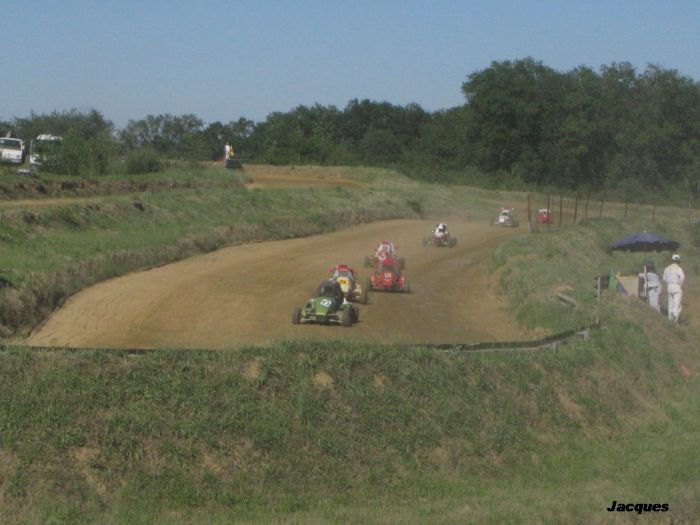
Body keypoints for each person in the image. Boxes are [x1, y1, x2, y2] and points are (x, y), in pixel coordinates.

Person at [662, 254, 685, 322]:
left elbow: (664, 278)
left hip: (669, 286)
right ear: (678, 260)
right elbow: (682, 277)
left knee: (670, 303)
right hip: (677, 287)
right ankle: (675, 319)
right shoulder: (678, 268)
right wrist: (680, 284)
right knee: (677, 304)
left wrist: (669, 282)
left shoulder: (667, 268)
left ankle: (670, 318)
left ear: (672, 260)